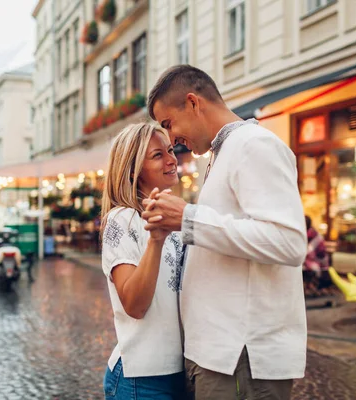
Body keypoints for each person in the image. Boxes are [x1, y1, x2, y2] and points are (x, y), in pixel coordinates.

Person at [141, 65, 308, 400]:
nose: (171, 139)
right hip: (223, 354)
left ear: (192, 102)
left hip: (243, 356)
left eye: (168, 124)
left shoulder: (254, 145)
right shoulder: (224, 152)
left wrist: (189, 219)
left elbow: (289, 243)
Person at [100, 123, 185, 399]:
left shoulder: (174, 221)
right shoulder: (122, 219)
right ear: (133, 170)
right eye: (158, 155)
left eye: (171, 150)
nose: (172, 160)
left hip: (179, 371)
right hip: (142, 378)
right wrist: (156, 240)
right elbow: (134, 305)